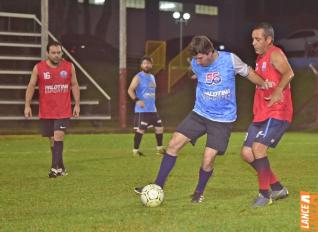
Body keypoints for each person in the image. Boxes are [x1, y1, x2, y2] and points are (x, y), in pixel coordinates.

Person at [135, 35, 270, 203]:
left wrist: (265, 85)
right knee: (173, 144)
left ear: (209, 52)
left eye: (200, 58)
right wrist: (197, 76)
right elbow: (197, 72)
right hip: (199, 114)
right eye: (195, 59)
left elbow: (249, 72)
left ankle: (198, 193)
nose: (197, 62)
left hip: (222, 120)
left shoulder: (230, 60)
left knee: (207, 160)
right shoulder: (195, 63)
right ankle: (157, 186)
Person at [240, 23, 294, 207]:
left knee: (258, 149)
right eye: (252, 39)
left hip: (277, 111)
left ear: (268, 40)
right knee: (247, 153)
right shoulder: (259, 58)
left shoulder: (275, 54)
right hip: (261, 113)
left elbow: (289, 73)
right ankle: (277, 187)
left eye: (258, 39)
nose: (253, 42)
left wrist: (279, 90)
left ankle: (265, 195)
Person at [24, 41, 80, 178]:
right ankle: (61, 168)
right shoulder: (39, 68)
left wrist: (77, 104)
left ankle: (54, 168)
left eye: (59, 52)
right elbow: (31, 86)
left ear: (62, 52)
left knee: (58, 137)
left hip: (63, 109)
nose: (56, 55)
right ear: (47, 53)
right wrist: (27, 105)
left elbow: (74, 85)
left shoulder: (69, 67)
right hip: (47, 110)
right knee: (52, 140)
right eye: (53, 53)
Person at [128, 55, 165, 156]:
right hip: (142, 110)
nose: (146, 65)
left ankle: (160, 149)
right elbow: (130, 90)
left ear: (151, 65)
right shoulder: (138, 77)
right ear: (141, 65)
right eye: (144, 63)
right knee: (141, 130)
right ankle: (135, 151)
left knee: (159, 128)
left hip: (152, 109)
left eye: (148, 63)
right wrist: (137, 100)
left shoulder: (152, 77)